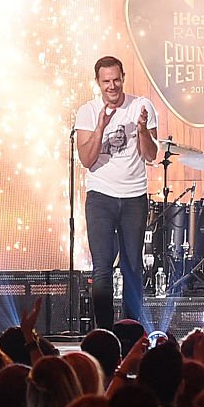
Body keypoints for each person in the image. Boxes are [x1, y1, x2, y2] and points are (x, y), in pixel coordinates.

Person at [76, 56, 159, 331]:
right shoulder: (87, 111)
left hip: (134, 195)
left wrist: (143, 130)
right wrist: (101, 126)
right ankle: (104, 331)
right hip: (101, 195)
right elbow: (87, 160)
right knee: (102, 267)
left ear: (123, 77)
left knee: (132, 265)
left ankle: (131, 329)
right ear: (98, 82)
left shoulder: (141, 106)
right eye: (106, 81)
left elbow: (151, 155)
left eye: (116, 79)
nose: (112, 86)